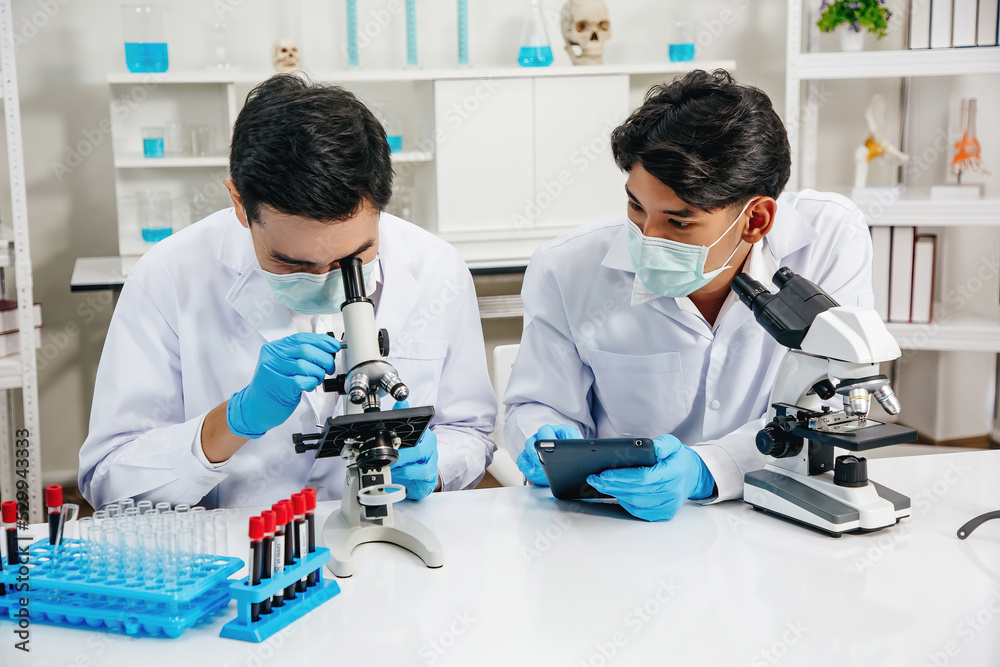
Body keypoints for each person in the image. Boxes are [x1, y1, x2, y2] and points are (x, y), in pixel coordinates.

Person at [79, 74, 497, 509]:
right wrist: (233, 421)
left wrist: (438, 464)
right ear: (240, 203)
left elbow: (469, 432)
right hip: (242, 553)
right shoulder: (168, 277)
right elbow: (109, 480)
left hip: (388, 537)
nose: (324, 278)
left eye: (352, 259)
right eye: (292, 263)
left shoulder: (438, 268)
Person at [503, 69, 874, 521]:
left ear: (756, 220)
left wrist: (706, 468)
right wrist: (547, 437)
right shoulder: (567, 268)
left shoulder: (828, 239)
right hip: (618, 524)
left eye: (678, 223)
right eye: (636, 207)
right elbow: (537, 402)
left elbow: (832, 406)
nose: (647, 238)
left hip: (773, 513)